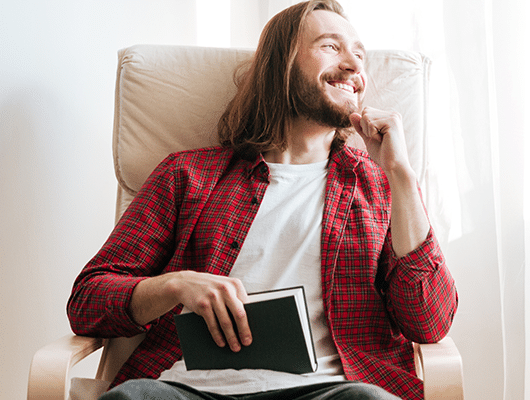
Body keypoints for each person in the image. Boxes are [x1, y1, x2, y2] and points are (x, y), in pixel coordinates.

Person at [67, 1, 457, 399]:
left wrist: (403, 177)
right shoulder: (187, 175)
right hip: (186, 389)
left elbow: (431, 322)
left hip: (330, 390)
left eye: (359, 53)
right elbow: (87, 300)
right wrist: (174, 286)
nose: (354, 65)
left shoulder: (380, 187)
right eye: (330, 46)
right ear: (281, 64)